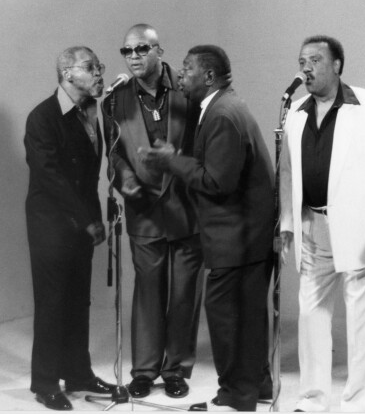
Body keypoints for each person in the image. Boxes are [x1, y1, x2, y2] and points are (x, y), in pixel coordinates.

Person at [279, 35, 365, 412]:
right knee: (311, 315)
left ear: (337, 65)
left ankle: (356, 404)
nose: (306, 68)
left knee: (359, 322)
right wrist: (287, 221)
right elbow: (288, 171)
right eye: (302, 61)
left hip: (361, 229)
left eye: (315, 60)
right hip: (312, 225)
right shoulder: (296, 111)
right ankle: (312, 399)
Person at [139, 45, 274, 412]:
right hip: (246, 236)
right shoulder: (222, 107)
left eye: (187, 69)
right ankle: (256, 387)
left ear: (209, 76)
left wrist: (172, 162)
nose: (181, 75)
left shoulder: (222, 115)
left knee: (228, 318)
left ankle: (235, 396)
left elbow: (217, 182)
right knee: (246, 316)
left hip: (237, 238)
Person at [102, 24, 204, 399]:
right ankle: (144, 370)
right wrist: (125, 179)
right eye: (126, 51)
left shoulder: (189, 89)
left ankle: (175, 370)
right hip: (143, 208)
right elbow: (114, 154)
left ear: (159, 50)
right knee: (147, 293)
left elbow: (207, 144)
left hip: (188, 206)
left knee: (184, 293)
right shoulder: (114, 100)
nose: (133, 57)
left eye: (141, 49)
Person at [24, 46, 116, 411]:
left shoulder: (91, 112)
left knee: (79, 300)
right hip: (50, 225)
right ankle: (44, 383)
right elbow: (50, 178)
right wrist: (88, 219)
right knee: (52, 303)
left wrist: (94, 218)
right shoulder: (42, 117)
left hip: (81, 223)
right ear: (67, 73)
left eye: (99, 66)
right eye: (90, 67)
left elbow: (88, 177)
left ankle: (78, 374)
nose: (98, 72)